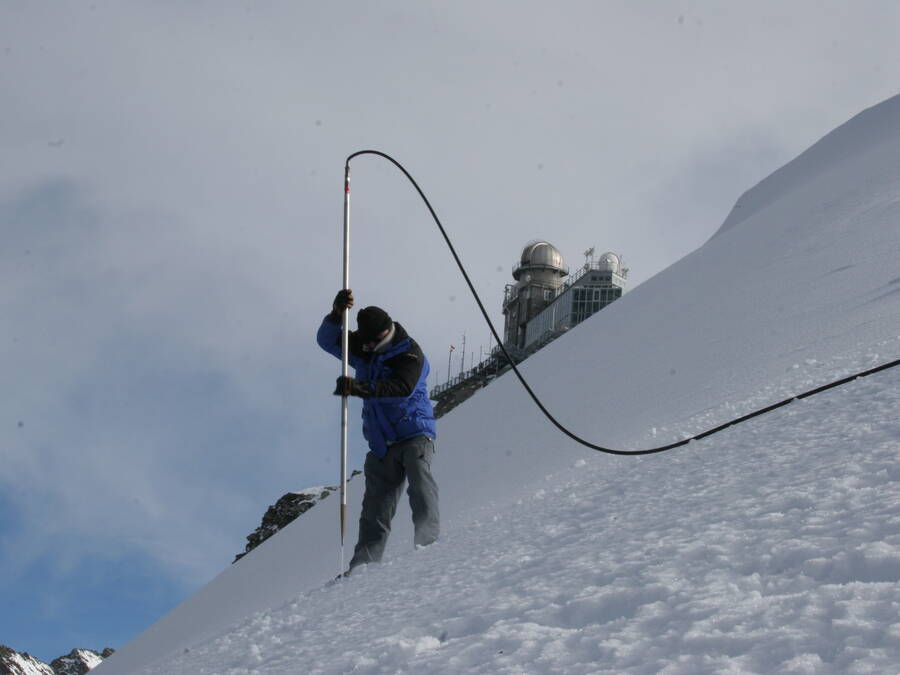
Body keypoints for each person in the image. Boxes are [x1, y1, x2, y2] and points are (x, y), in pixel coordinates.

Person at [317, 288, 439, 573]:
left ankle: (430, 546)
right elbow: (326, 341)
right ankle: (363, 566)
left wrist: (360, 387)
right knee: (374, 509)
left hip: (414, 435)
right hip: (382, 443)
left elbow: (401, 389)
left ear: (384, 334)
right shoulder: (365, 347)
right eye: (365, 343)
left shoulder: (409, 353)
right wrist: (336, 315)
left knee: (420, 487)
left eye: (371, 343)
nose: (366, 348)